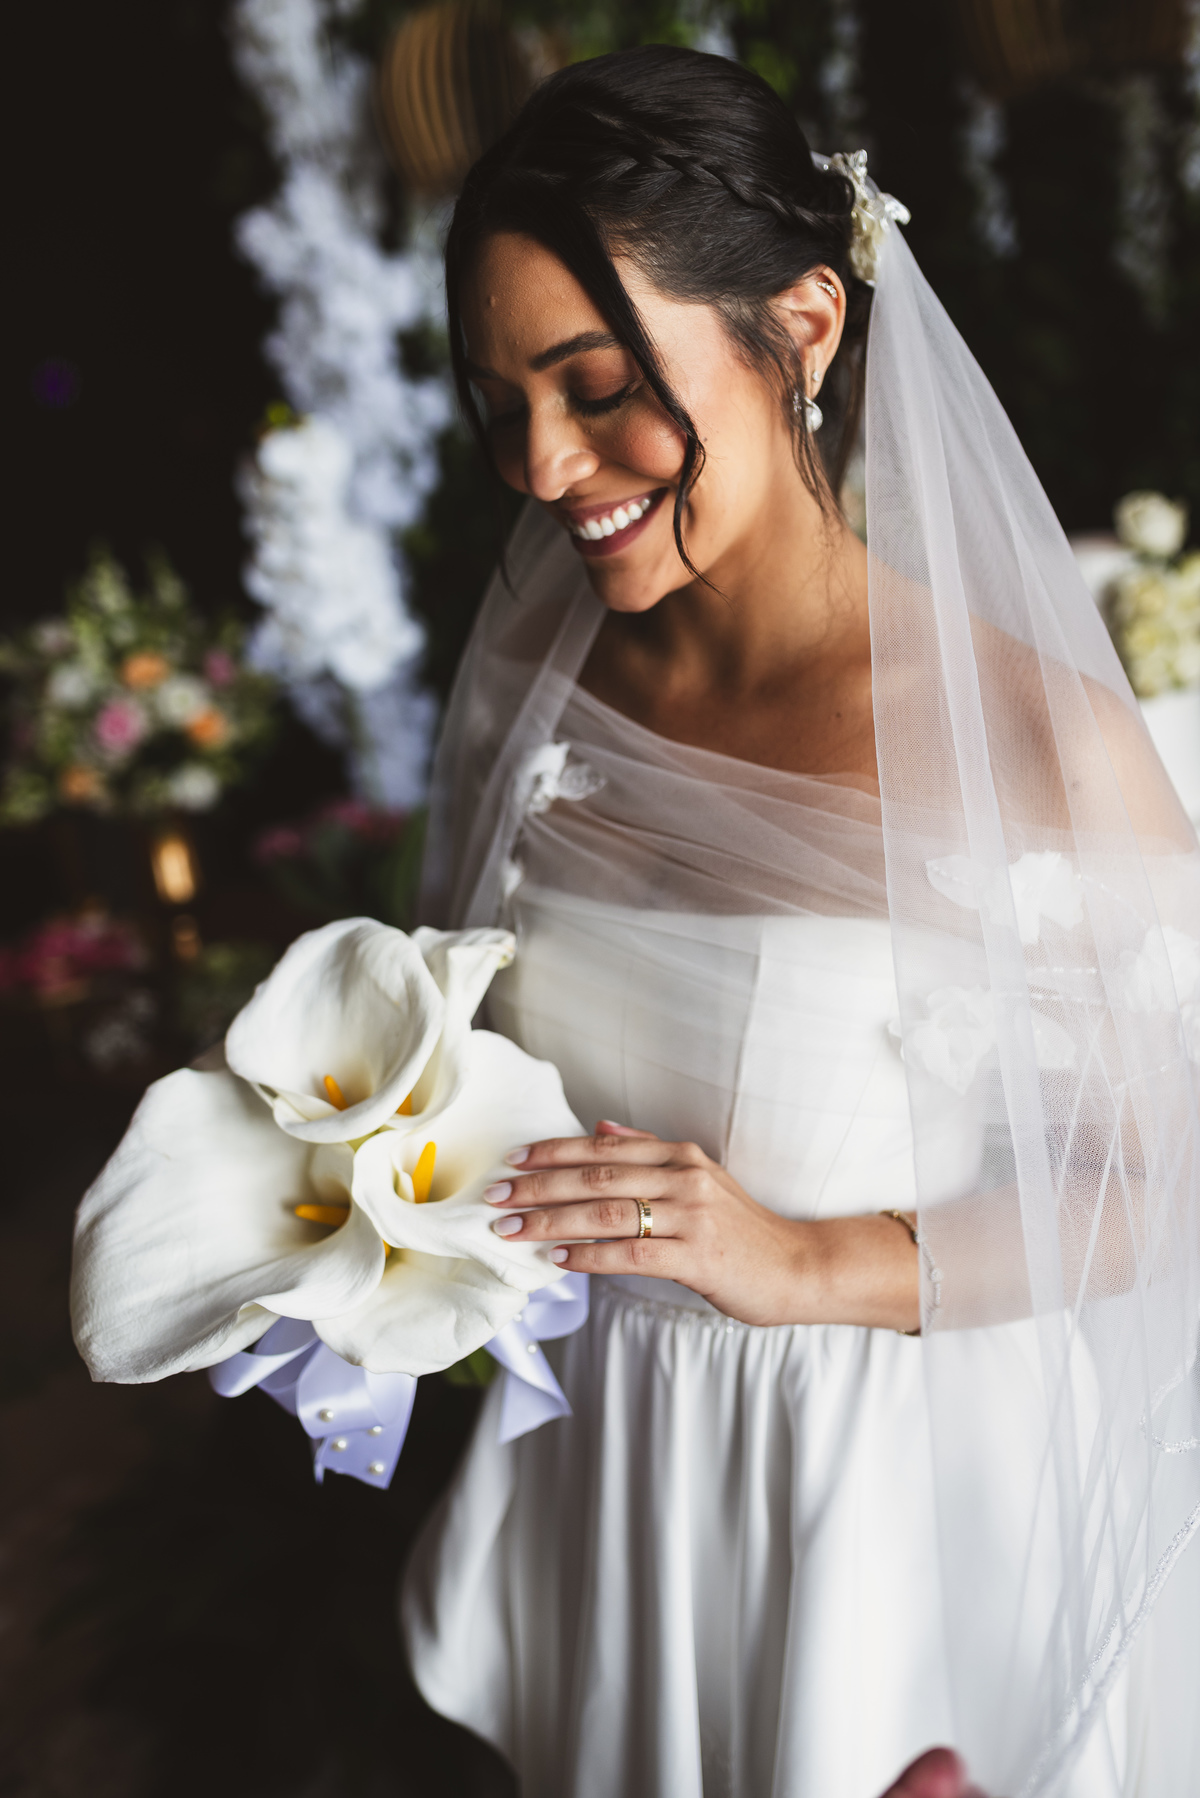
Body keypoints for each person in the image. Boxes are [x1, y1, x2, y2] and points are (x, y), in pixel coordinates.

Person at [403, 45, 1200, 1798]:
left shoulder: (1036, 743)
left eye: (597, 382)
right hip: (614, 1464)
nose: (545, 465)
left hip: (882, 1504)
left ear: (807, 327)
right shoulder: (544, 663)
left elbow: (1157, 1186)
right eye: (500, 399)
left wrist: (799, 1262)